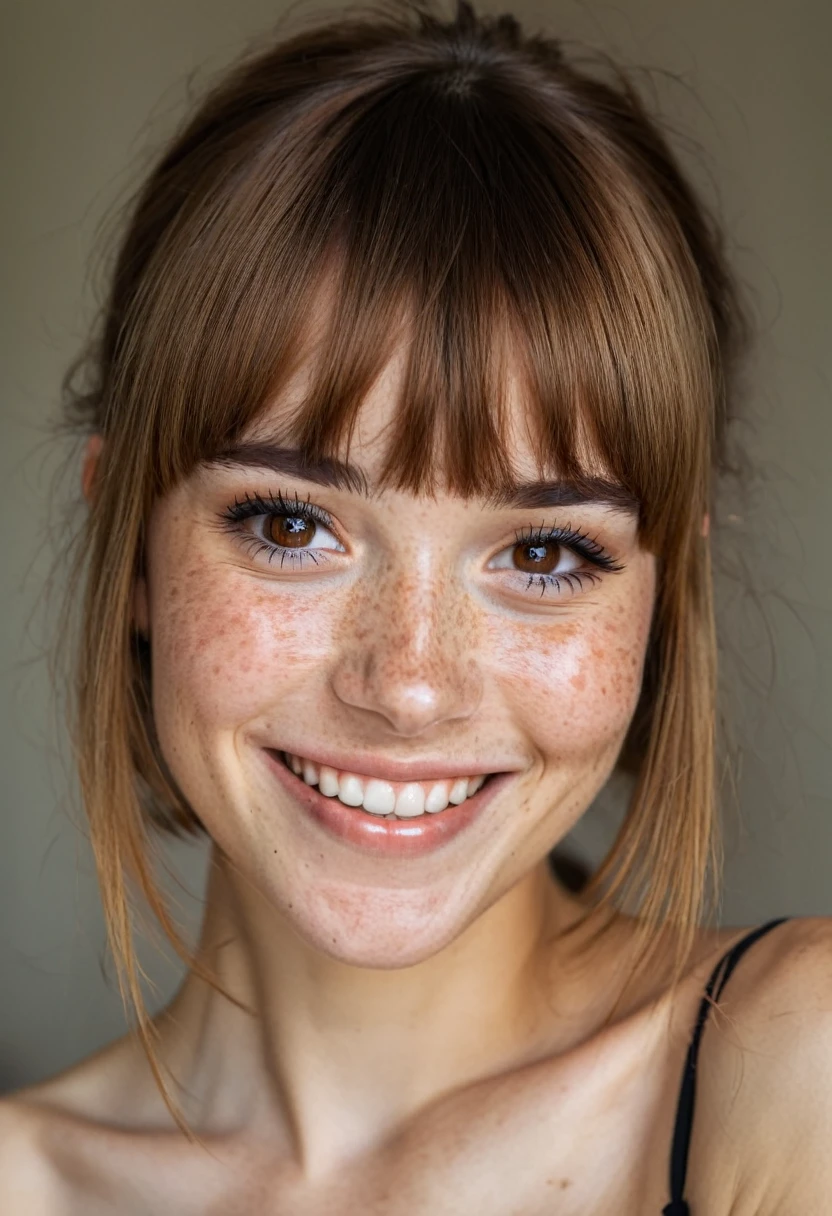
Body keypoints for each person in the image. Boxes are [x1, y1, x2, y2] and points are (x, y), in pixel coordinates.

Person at [1, 2, 829, 1211]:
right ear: (130, 544)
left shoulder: (792, 1067)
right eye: (292, 526)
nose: (408, 683)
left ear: (663, 592)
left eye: (544, 552)